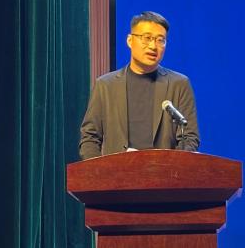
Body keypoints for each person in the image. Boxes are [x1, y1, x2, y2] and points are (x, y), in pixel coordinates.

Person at [79, 11, 200, 159]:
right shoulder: (105, 85)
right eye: (147, 38)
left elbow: (189, 137)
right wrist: (100, 171)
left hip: (164, 171)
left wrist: (171, 166)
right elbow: (89, 137)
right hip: (118, 172)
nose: (153, 46)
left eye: (160, 40)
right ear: (130, 40)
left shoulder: (179, 84)